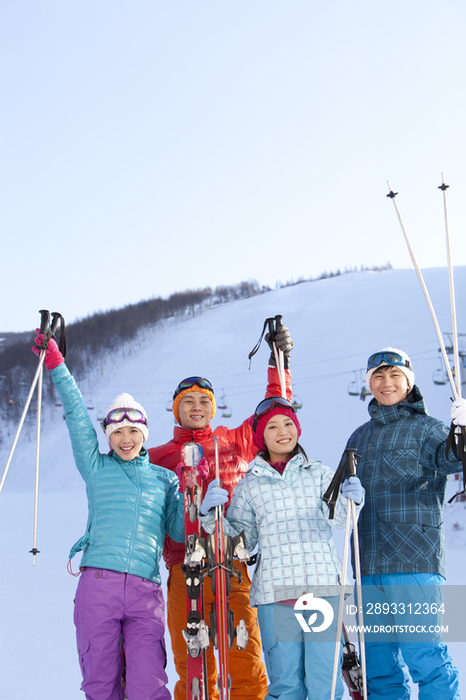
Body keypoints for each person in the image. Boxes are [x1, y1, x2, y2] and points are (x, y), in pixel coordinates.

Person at [32, 332, 185, 700]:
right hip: (98, 584)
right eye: (118, 432)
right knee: (100, 682)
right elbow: (77, 420)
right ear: (110, 435)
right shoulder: (97, 468)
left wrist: (194, 498)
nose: (126, 439)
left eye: (134, 430)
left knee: (148, 684)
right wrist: (56, 364)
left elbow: (179, 532)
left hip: (144, 590)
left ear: (145, 434)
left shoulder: (165, 479)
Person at [148, 320, 294, 700]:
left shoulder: (232, 440)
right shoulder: (158, 458)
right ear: (176, 409)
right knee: (194, 665)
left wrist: (280, 362)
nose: (197, 408)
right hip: (185, 569)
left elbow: (274, 412)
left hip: (233, 564)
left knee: (244, 659)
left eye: (204, 402)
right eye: (189, 402)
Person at [198, 396, 364, 700]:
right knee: (287, 685)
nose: (282, 431)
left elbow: (342, 518)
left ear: (297, 429)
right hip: (277, 595)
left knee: (323, 683)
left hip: (322, 591)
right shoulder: (251, 485)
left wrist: (353, 499)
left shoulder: (320, 474)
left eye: (288, 423)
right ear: (261, 436)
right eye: (272, 426)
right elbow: (239, 543)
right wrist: (212, 516)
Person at [345, 347, 466, 700]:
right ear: (369, 384)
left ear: (408, 381)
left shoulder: (428, 429)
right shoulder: (358, 437)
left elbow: (453, 460)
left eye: (395, 375)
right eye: (378, 377)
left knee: (424, 654)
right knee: (377, 662)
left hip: (414, 559)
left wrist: (462, 433)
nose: (386, 383)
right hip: (367, 562)